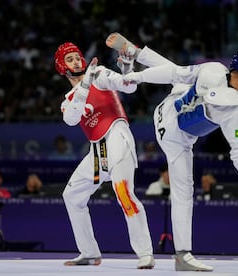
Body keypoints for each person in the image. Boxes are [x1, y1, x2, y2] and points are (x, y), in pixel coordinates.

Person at [106, 33, 238, 271]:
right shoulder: (236, 108)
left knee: (179, 74)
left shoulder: (213, 70)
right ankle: (182, 255)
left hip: (165, 114)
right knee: (183, 193)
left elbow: (173, 73)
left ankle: (136, 53)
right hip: (176, 139)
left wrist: (134, 77)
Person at [54, 42, 154, 269]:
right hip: (97, 151)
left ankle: (145, 253)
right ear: (62, 67)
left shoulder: (98, 73)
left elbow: (128, 87)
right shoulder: (68, 99)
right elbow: (71, 119)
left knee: (123, 193)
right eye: (69, 59)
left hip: (118, 138)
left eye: (77, 57)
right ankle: (89, 253)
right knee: (72, 196)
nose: (77, 61)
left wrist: (128, 69)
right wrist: (84, 86)